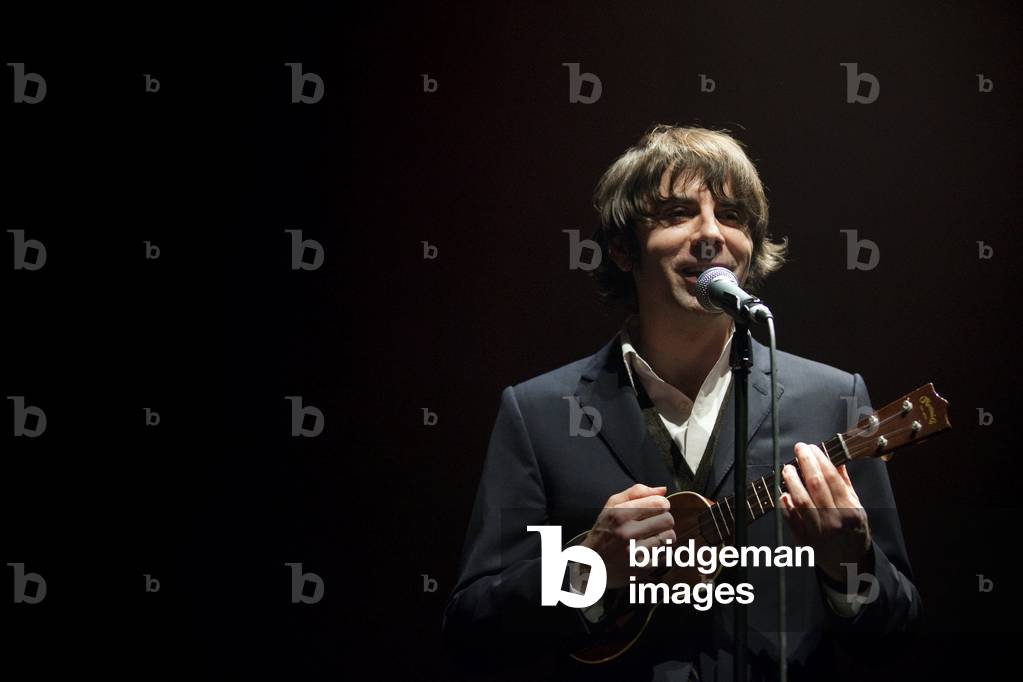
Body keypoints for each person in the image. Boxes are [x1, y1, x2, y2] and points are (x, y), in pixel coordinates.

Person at [442, 125, 921, 681]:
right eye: (675, 214)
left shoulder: (832, 400)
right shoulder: (540, 413)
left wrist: (852, 568)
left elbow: (897, 640)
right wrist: (584, 569)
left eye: (734, 216)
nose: (711, 234)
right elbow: (473, 633)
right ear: (622, 248)